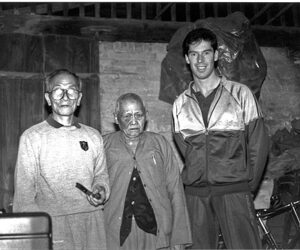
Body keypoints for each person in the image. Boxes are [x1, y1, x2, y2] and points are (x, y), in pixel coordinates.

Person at [172, 28, 269, 249]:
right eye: (194, 54)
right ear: (187, 59)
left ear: (216, 55)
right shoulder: (180, 104)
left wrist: (245, 185)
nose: (200, 60)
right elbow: (186, 150)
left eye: (206, 52)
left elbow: (258, 145)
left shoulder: (241, 94)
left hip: (234, 190)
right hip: (196, 195)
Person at [13, 69, 110, 250]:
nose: (65, 96)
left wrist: (101, 189)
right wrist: (40, 233)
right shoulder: (33, 137)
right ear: (49, 99)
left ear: (79, 98)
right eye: (58, 90)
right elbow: (24, 199)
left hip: (92, 223)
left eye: (71, 90)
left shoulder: (93, 136)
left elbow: (101, 175)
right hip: (54, 227)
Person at [103, 93, 192, 250]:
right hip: (117, 231)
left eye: (138, 115)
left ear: (146, 116)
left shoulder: (159, 143)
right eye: (126, 116)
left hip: (157, 230)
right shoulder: (104, 145)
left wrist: (179, 237)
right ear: (116, 118)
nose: (133, 122)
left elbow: (175, 190)